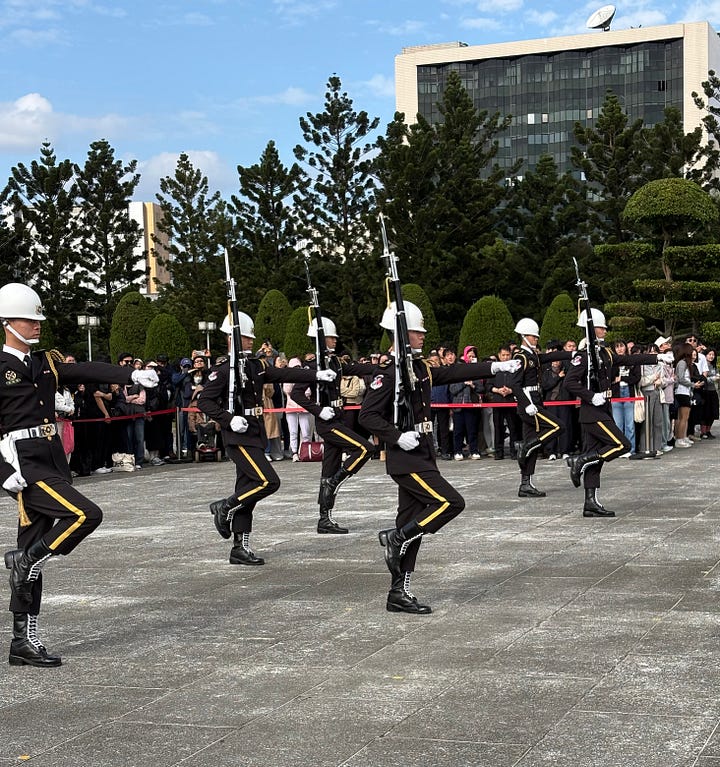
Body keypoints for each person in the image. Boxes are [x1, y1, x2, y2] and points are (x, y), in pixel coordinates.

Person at [0, 283, 158, 667]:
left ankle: (23, 640)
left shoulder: (44, 364)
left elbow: (85, 368)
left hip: (51, 459)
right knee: (86, 515)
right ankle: (24, 559)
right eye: (29, 318)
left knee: (34, 549)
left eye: (38, 318)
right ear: (7, 322)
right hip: (24, 465)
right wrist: (3, 471)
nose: (37, 325)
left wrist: (130, 375)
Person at [358, 301, 520, 614]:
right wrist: (394, 436)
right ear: (402, 333)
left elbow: (452, 372)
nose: (423, 336)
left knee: (411, 522)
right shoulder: (388, 372)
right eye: (418, 331)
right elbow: (368, 415)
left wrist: (494, 368)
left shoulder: (418, 367)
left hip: (422, 451)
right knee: (450, 503)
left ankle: (398, 592)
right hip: (406, 456)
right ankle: (395, 538)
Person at [197, 313, 337, 564]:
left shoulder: (255, 366)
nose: (251, 341)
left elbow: (282, 375)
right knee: (268, 482)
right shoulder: (222, 371)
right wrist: (228, 419)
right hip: (237, 435)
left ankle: (240, 547)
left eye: (251, 337)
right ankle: (225, 507)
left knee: (246, 491)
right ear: (232, 340)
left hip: (253, 432)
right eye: (246, 337)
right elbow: (204, 401)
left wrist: (315, 375)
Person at [564, 309, 671, 516]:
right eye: (601, 327)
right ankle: (582, 460)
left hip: (603, 408)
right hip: (592, 412)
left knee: (598, 459)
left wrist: (657, 358)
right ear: (591, 329)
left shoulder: (605, 353)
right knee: (623, 444)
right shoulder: (583, 355)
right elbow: (569, 382)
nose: (605, 330)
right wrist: (589, 395)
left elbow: (628, 361)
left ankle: (590, 503)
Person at [291, 317, 376, 534]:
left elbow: (356, 369)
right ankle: (336, 482)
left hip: (337, 419)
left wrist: (382, 369)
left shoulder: (336, 362)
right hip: (327, 423)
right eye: (331, 337)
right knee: (365, 448)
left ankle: (324, 519)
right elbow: (296, 393)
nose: (335, 340)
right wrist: (318, 410)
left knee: (328, 471)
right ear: (320, 339)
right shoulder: (312, 366)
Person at [509, 318, 568, 498]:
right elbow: (514, 384)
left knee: (532, 445)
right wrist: (527, 405)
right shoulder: (520, 357)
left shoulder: (532, 356)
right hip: (529, 404)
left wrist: (572, 354)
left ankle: (525, 483)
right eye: (533, 336)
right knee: (558, 426)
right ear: (524, 337)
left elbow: (550, 357)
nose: (536, 339)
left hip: (535, 400)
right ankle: (525, 446)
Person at [486, 346, 520, 460]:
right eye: (503, 355)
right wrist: (498, 390)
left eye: (507, 355)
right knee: (498, 427)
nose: (505, 357)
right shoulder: (495, 369)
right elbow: (488, 386)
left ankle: (514, 452)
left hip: (511, 402)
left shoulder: (515, 369)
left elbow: (519, 384)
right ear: (499, 356)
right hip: (498, 402)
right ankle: (498, 452)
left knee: (513, 427)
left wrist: (511, 390)